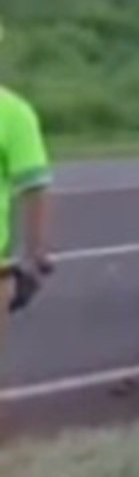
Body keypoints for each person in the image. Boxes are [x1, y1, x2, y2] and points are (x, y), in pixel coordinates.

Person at [0, 81, 52, 335]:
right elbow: (35, 190)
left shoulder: (11, 113)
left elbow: (34, 188)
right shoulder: (13, 111)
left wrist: (33, 258)